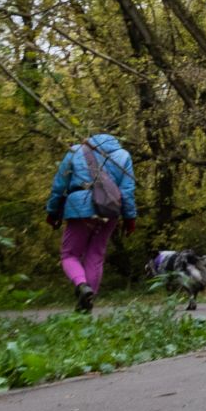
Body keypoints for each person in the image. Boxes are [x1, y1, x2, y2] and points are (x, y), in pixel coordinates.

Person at [44, 132, 137, 312]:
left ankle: (81, 285)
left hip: (80, 206)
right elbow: (127, 191)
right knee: (96, 255)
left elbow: (59, 185)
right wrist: (130, 218)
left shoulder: (76, 151)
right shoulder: (123, 155)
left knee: (69, 254)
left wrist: (52, 211)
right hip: (109, 209)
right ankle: (89, 300)